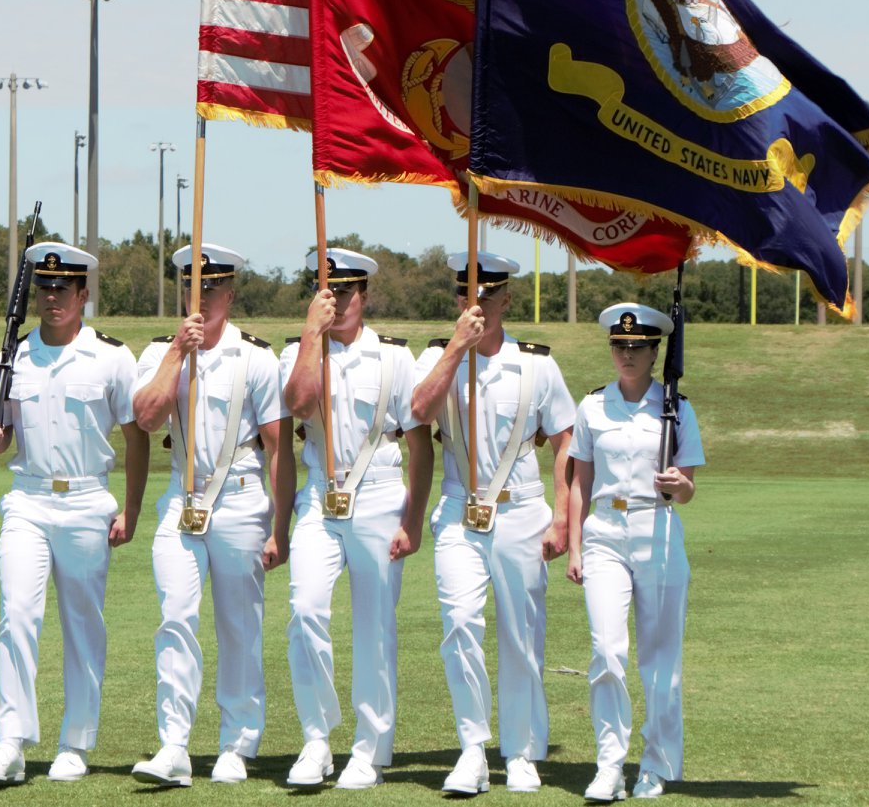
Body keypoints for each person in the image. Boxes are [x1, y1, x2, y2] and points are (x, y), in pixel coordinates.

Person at [0, 242, 149, 785]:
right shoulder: (13, 357)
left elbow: (137, 437)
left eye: (63, 289)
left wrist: (132, 510)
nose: (53, 298)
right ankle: (11, 742)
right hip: (27, 498)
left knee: (82, 623)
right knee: (17, 613)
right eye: (45, 289)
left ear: (83, 294)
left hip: (88, 500)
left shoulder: (113, 357)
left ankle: (76, 741)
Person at [411, 251, 577, 795]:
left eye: (484, 296)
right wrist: (457, 348)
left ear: (506, 300)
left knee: (522, 634)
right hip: (460, 508)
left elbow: (565, 441)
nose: (473, 304)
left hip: (521, 508)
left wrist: (561, 518)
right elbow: (417, 411)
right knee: (459, 623)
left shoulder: (536, 366)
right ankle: (472, 749)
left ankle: (523, 750)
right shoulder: (438, 357)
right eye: (464, 295)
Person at [130, 243, 293, 788]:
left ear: (231, 294)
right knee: (175, 615)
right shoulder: (161, 351)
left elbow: (277, 448)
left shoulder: (256, 358)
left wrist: (279, 525)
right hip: (182, 497)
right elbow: (147, 418)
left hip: (243, 497)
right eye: (192, 289)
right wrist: (178, 351)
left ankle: (236, 743)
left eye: (213, 289)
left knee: (239, 624)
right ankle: (174, 743)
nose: (202, 300)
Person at [279, 247, 433, 790]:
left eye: (345, 291)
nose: (336, 301)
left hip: (379, 495)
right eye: (327, 291)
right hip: (320, 497)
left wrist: (412, 521)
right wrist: (310, 336)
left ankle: (368, 747)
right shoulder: (299, 351)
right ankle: (317, 738)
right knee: (304, 609)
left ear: (363, 295)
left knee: (374, 628)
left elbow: (420, 446)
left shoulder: (394, 358)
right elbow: (299, 405)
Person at [566, 303, 704, 801]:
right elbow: (579, 480)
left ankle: (657, 764)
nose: (626, 355)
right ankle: (609, 764)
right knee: (606, 650)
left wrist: (676, 485)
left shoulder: (676, 409)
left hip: (657, 527)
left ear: (654, 351)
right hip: (605, 529)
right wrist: (575, 546)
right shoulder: (593, 406)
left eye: (637, 347)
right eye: (619, 346)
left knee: (660, 658)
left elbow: (689, 486)